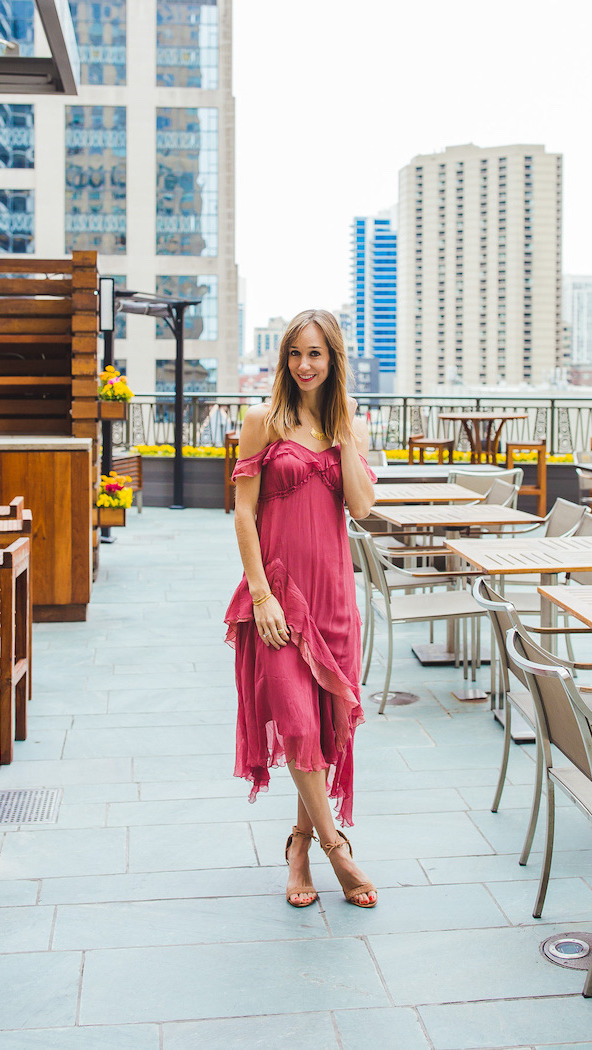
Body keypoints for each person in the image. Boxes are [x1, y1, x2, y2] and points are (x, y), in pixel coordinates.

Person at [224, 309, 378, 909]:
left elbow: (361, 510)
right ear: (283, 360)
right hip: (280, 597)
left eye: (316, 354)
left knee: (325, 730)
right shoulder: (262, 421)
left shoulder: (350, 428)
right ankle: (337, 849)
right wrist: (260, 594)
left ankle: (298, 848)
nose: (305, 365)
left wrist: (342, 434)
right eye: (295, 354)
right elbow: (243, 513)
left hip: (335, 595)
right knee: (296, 725)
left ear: (333, 360)